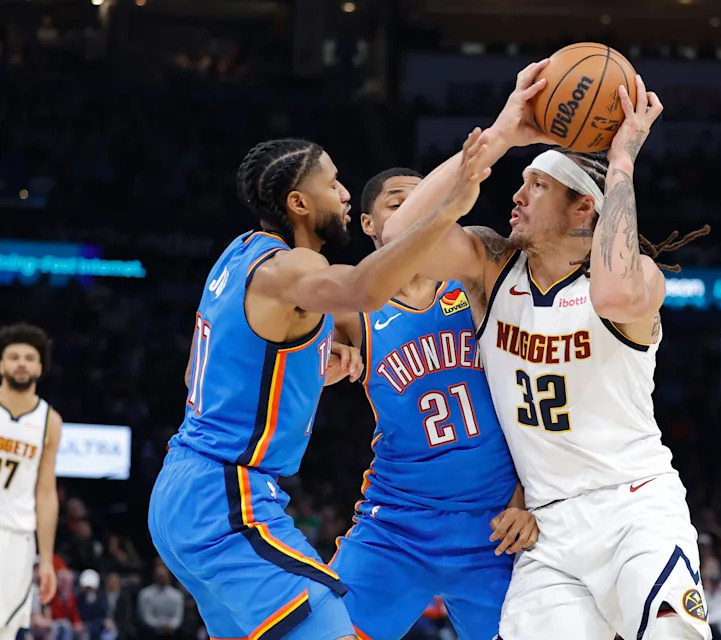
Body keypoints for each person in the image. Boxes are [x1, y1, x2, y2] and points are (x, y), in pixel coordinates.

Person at [382, 61, 711, 639]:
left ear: (584, 207)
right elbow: (396, 236)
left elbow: (610, 294)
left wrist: (622, 164)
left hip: (634, 510)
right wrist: (503, 135)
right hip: (548, 528)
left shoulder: (641, 278)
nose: (517, 194)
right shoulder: (492, 267)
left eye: (537, 185)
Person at [148, 131, 494, 640]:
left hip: (184, 487)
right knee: (330, 625)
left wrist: (306, 362)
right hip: (229, 496)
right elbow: (360, 289)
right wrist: (445, 212)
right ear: (299, 203)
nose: (345, 193)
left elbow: (201, 371)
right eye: (333, 184)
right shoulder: (297, 265)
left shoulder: (238, 255)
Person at [329, 168, 537, 639]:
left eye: (426, 199)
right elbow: (307, 363)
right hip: (398, 525)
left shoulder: (479, 283)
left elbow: (539, 401)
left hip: (497, 526)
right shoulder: (353, 306)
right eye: (399, 202)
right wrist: (325, 359)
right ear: (368, 224)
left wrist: (529, 499)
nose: (415, 211)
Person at [0, 323, 61, 640]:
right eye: (13, 356)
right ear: (1, 364)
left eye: (28, 357)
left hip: (19, 538)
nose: (20, 363)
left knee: (6, 630)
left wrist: (46, 559)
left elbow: (46, 493)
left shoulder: (49, 420)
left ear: (40, 366)